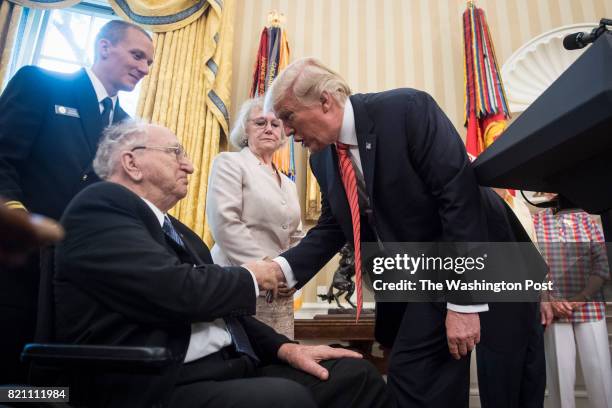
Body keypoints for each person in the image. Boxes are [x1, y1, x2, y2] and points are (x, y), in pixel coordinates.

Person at [263, 57, 545, 408]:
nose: (286, 132)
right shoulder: (321, 158)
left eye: (289, 117)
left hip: (492, 256)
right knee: (415, 379)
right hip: (430, 273)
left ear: (325, 101)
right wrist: (281, 270)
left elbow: (458, 200)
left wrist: (463, 303)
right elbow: (336, 225)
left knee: (508, 382)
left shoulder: (406, 110)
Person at [54, 120, 391, 407]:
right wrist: (255, 274)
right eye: (176, 153)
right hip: (156, 380)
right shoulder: (100, 207)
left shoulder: (181, 233)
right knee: (283, 398)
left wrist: (287, 348)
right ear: (132, 163)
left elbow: (230, 317)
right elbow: (179, 291)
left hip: (228, 365)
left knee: (356, 376)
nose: (188, 165)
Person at [0, 19, 154, 384]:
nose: (144, 68)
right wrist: (16, 217)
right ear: (104, 47)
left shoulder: (128, 128)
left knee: (54, 384)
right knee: (10, 377)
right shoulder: (40, 84)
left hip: (78, 277)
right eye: (137, 55)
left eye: (149, 63)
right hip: (20, 263)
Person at [206, 97, 302, 338]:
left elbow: (296, 235)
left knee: (280, 359)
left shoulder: (289, 184)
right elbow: (225, 222)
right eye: (260, 122)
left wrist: (292, 274)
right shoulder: (229, 162)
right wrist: (267, 269)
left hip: (280, 290)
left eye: (275, 124)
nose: (269, 128)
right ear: (245, 130)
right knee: (242, 359)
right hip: (238, 280)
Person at [533, 203, 612, 408]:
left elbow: (602, 266)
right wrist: (549, 299)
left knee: (600, 377)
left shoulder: (589, 220)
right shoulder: (536, 221)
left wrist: (580, 298)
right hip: (553, 310)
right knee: (560, 382)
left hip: (590, 306)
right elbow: (533, 265)